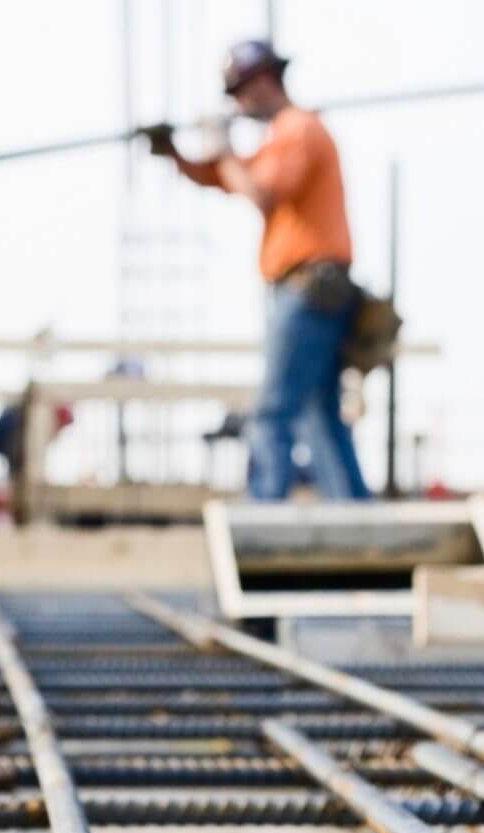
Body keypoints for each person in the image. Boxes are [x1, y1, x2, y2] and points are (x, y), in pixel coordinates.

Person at [144, 40, 369, 501]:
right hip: (314, 291)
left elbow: (262, 192)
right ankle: (354, 512)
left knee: (273, 410)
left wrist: (222, 145)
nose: (238, 104)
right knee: (318, 410)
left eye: (239, 92)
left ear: (263, 82)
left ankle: (265, 508)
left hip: (309, 291)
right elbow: (227, 178)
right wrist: (178, 155)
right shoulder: (285, 137)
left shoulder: (297, 129)